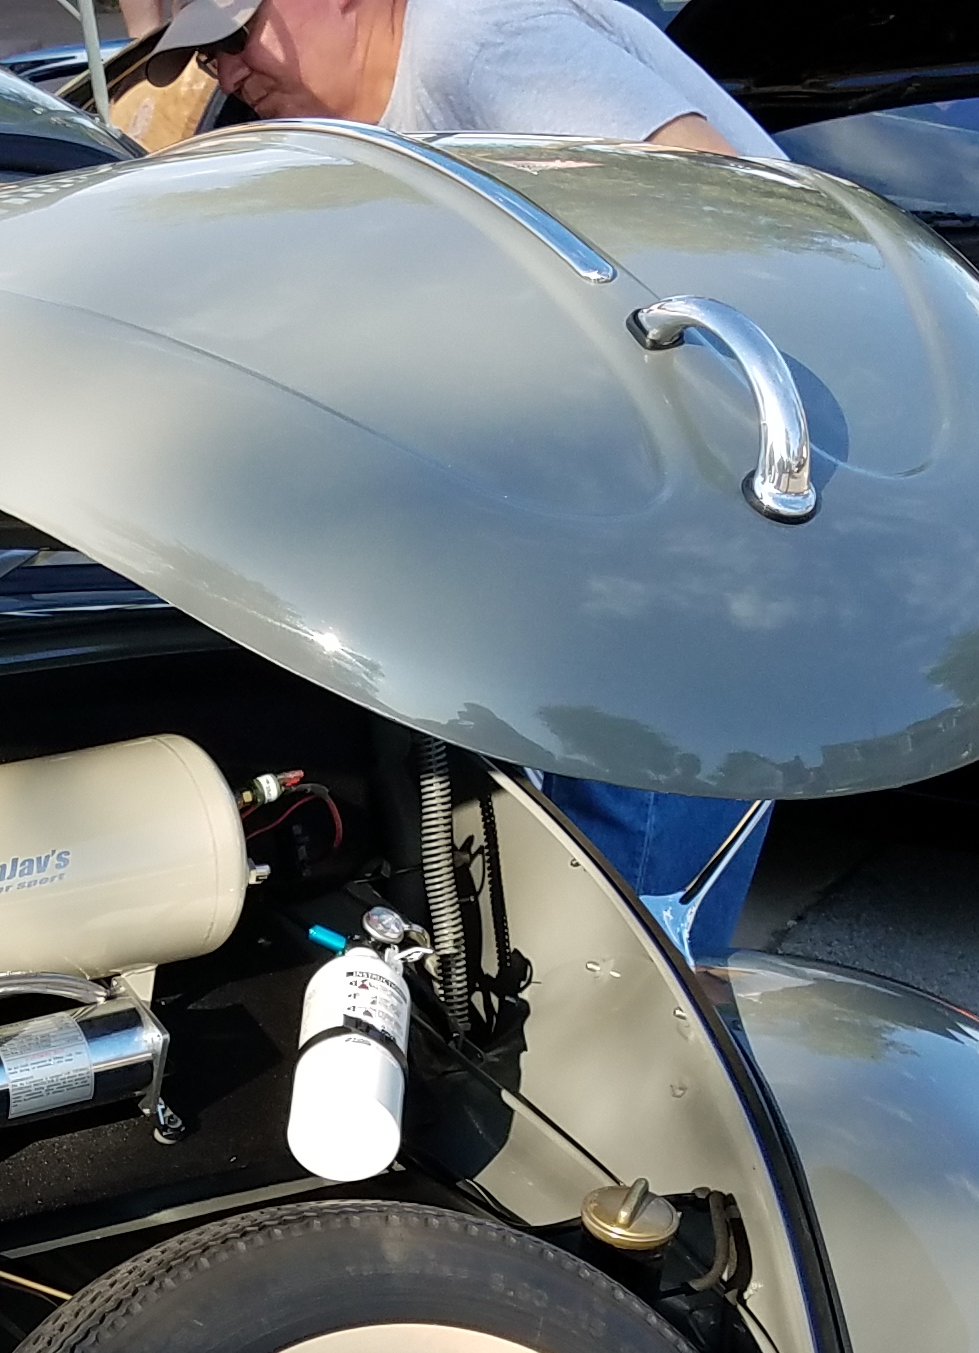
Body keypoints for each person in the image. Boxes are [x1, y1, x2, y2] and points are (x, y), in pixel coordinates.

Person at [145, 0, 785, 951]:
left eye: (238, 35)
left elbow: (724, 208)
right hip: (604, 508)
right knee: (567, 871)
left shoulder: (479, 42)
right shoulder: (352, 128)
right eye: (207, 56)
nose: (228, 72)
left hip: (697, 503)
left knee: (634, 908)